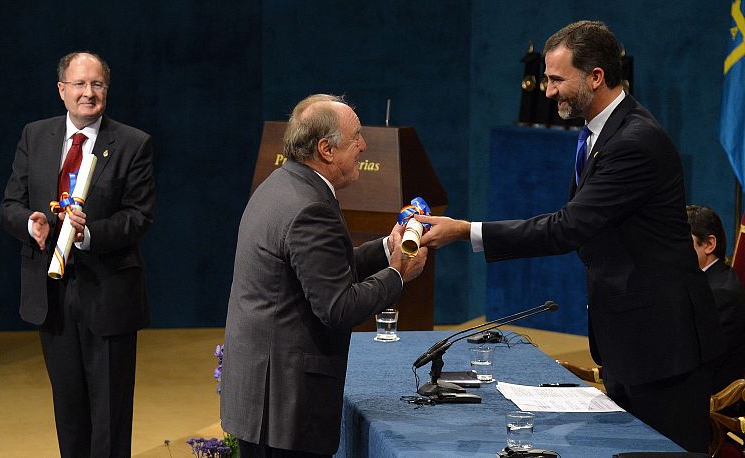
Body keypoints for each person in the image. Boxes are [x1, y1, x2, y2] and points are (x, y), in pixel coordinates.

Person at [415, 21, 724, 452]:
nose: (546, 91)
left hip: (661, 348)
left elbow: (569, 226)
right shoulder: (600, 133)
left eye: (557, 79)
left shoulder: (634, 141)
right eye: (546, 78)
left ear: (596, 76)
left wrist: (467, 231)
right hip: (628, 339)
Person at [221, 94, 427, 457]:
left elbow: (321, 271)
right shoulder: (311, 206)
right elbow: (337, 307)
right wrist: (398, 273)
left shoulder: (281, 184)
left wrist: (385, 248)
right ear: (326, 149)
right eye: (356, 138)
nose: (364, 146)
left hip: (263, 401)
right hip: (286, 410)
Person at [0, 51, 155, 457]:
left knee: (109, 415)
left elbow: (139, 218)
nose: (89, 93)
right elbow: (10, 205)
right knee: (68, 409)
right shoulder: (35, 136)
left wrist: (89, 234)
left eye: (97, 84)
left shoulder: (133, 143)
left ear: (107, 89)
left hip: (108, 293)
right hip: (50, 297)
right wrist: (29, 225)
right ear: (62, 90)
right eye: (80, 84)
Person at [686, 204, 745, 392]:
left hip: (703, 398)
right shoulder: (701, 280)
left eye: (680, 242)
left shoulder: (721, 293)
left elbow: (694, 357)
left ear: (709, 245)